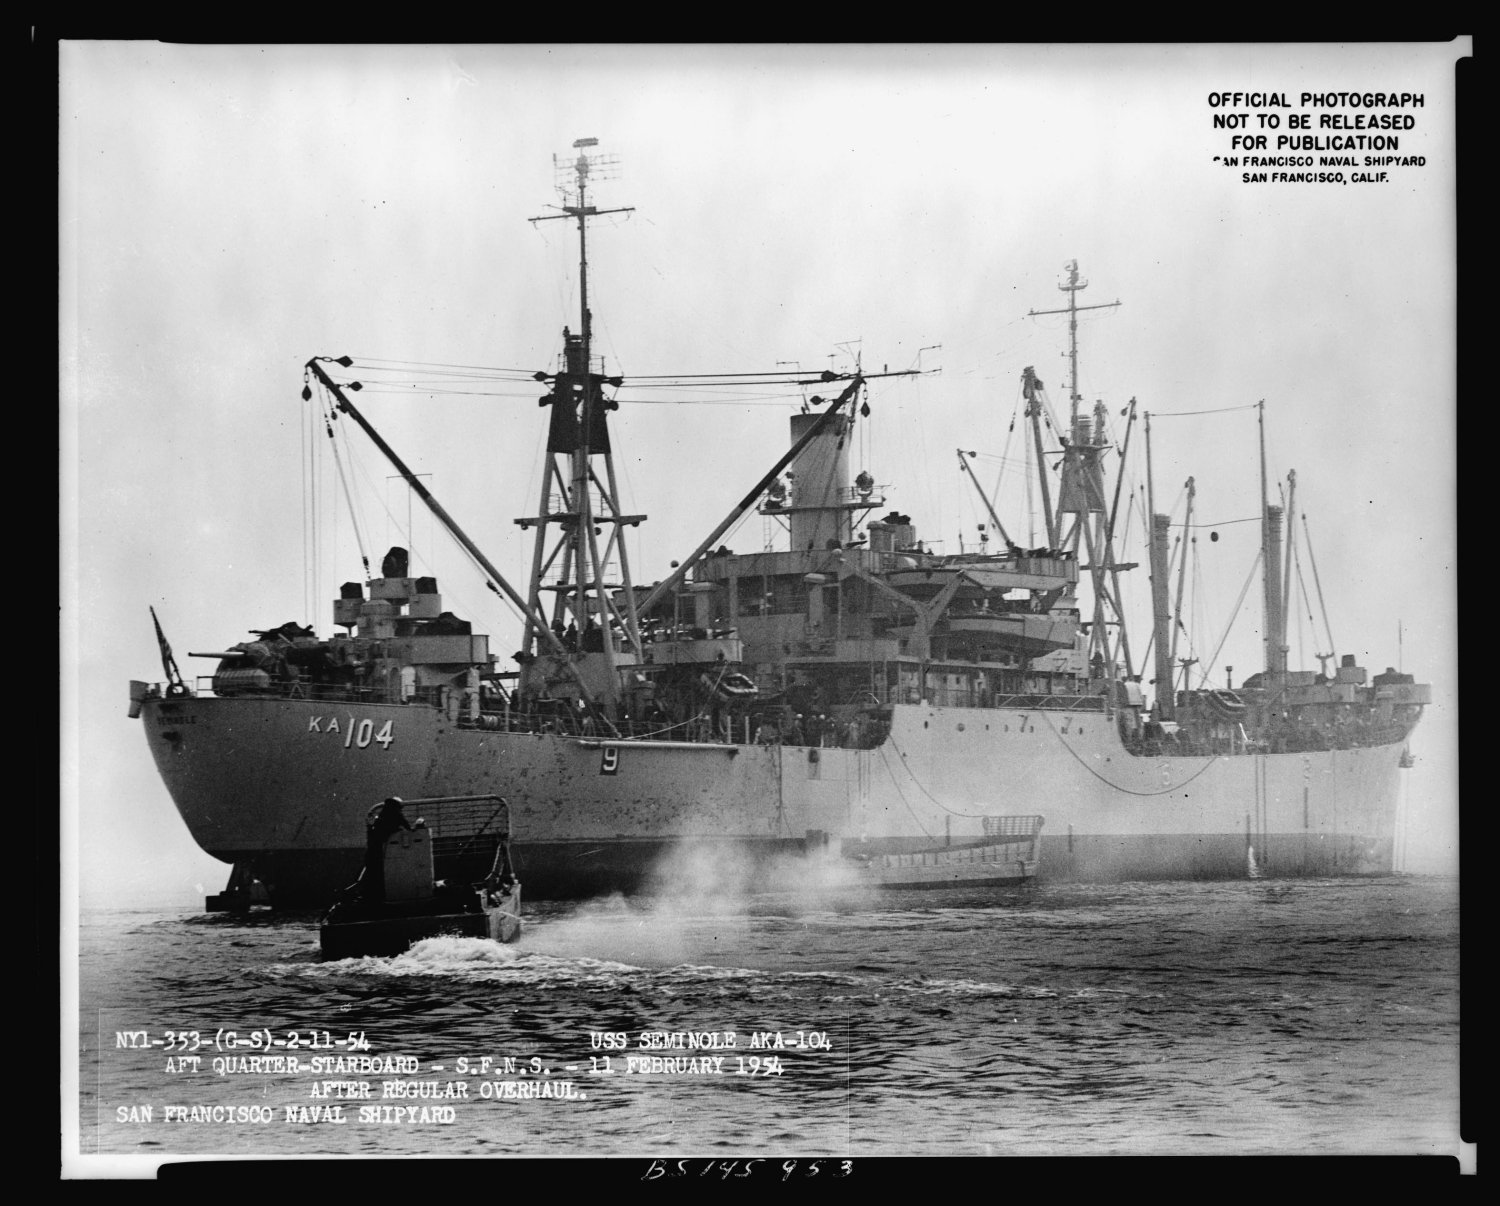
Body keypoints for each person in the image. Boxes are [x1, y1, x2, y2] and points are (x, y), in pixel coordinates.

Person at [362, 796, 413, 903]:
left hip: (373, 847)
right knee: (379, 872)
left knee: (371, 871)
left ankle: (369, 895)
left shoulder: (382, 813)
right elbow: (408, 827)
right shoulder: (397, 814)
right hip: (381, 847)